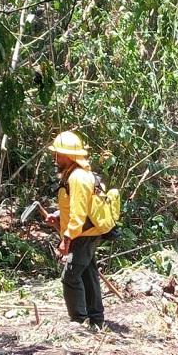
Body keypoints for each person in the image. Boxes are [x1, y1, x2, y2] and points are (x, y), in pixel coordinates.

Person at [46, 131, 104, 328]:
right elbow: (76, 206)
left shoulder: (77, 177)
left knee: (70, 277)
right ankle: (95, 319)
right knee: (88, 273)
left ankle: (78, 322)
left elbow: (79, 214)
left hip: (81, 234)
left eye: (59, 154)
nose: (56, 158)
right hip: (85, 232)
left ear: (69, 156)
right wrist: (58, 215)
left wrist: (67, 239)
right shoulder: (75, 174)